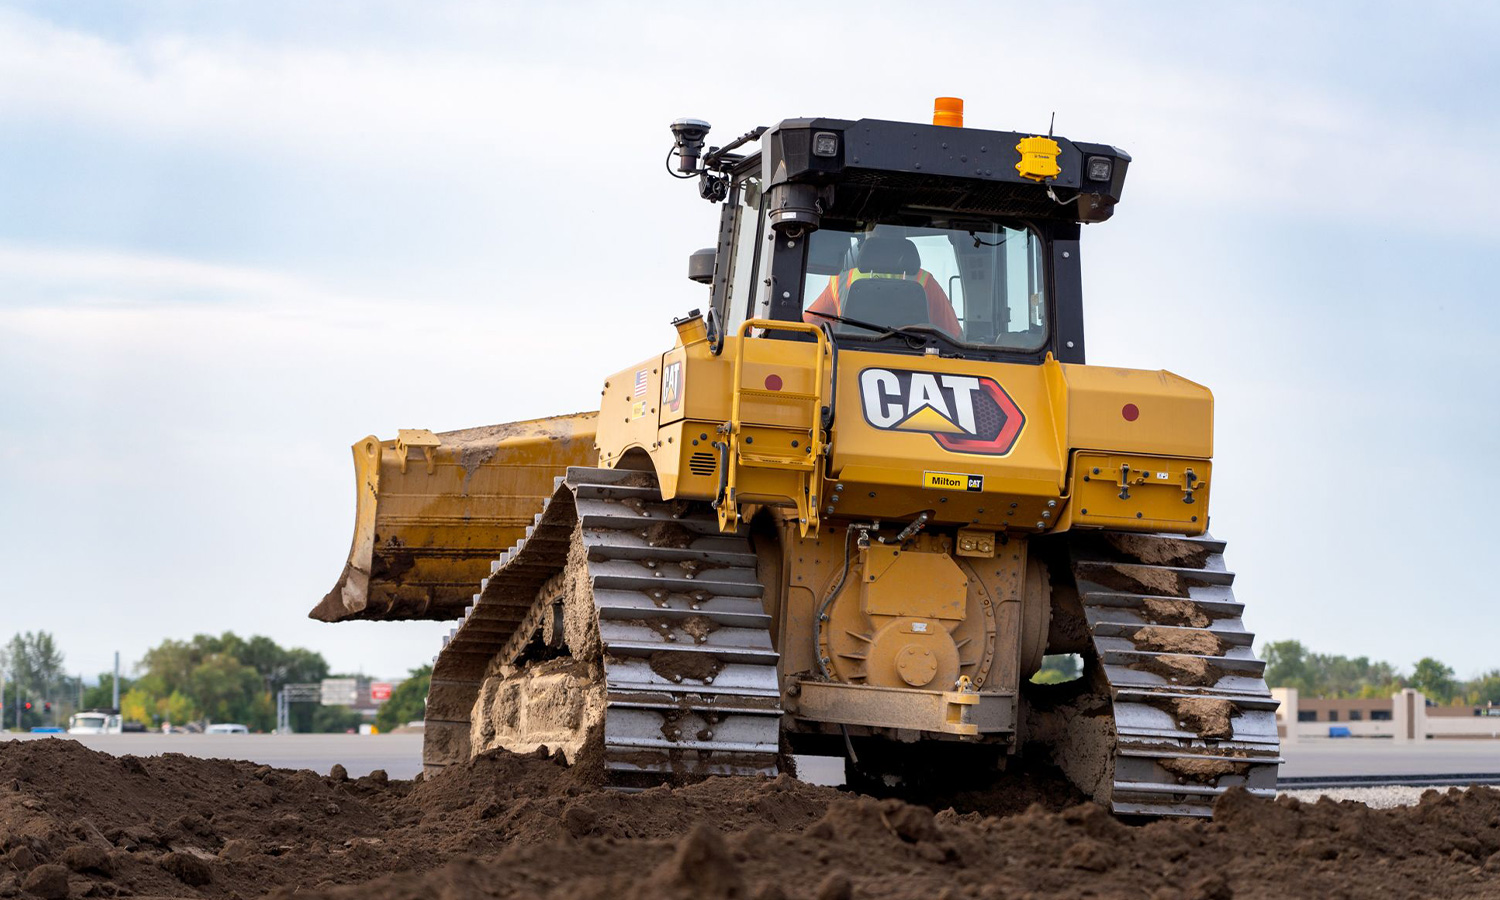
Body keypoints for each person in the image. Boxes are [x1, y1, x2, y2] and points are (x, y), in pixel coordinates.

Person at [803, 235, 961, 336]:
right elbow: (953, 336)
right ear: (903, 242)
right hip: (914, 361)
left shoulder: (842, 281)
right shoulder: (925, 281)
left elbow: (808, 326)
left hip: (848, 358)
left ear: (868, 241)